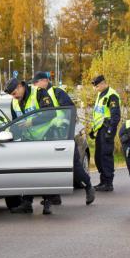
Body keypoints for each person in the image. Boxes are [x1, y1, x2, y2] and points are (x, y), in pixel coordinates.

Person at [33, 71, 95, 205]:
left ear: (45, 81)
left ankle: (88, 186)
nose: (35, 86)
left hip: (63, 134)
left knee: (73, 165)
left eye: (36, 83)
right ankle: (54, 196)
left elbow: (70, 111)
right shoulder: (38, 96)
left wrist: (65, 129)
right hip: (49, 136)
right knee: (50, 167)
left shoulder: (57, 93)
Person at [3, 76, 56, 215]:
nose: (14, 97)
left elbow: (51, 113)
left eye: (15, 93)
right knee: (28, 172)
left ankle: (48, 202)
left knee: (44, 173)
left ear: (21, 86)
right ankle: (27, 203)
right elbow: (16, 123)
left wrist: (31, 123)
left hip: (45, 137)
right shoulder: (14, 102)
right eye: (11, 95)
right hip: (28, 140)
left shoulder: (39, 93)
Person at [89, 75, 121, 192]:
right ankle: (103, 181)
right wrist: (93, 130)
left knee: (106, 156)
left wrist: (110, 131)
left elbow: (115, 116)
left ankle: (108, 183)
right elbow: (98, 115)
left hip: (107, 129)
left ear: (103, 83)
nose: (95, 88)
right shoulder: (100, 94)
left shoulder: (111, 96)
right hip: (100, 129)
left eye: (97, 86)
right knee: (98, 156)